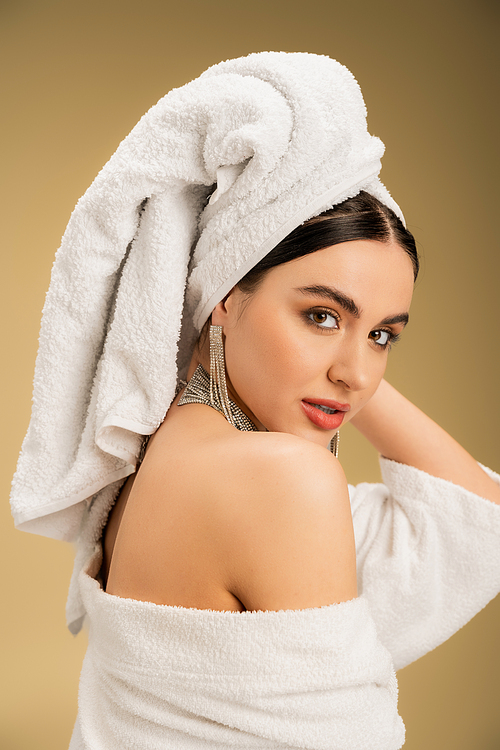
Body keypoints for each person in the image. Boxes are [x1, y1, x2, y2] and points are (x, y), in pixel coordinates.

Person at [10, 52, 500, 749]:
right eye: (322, 316)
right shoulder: (280, 479)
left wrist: (334, 353)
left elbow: (476, 526)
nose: (357, 374)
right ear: (227, 300)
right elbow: (471, 528)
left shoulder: (147, 460)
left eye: (384, 335)